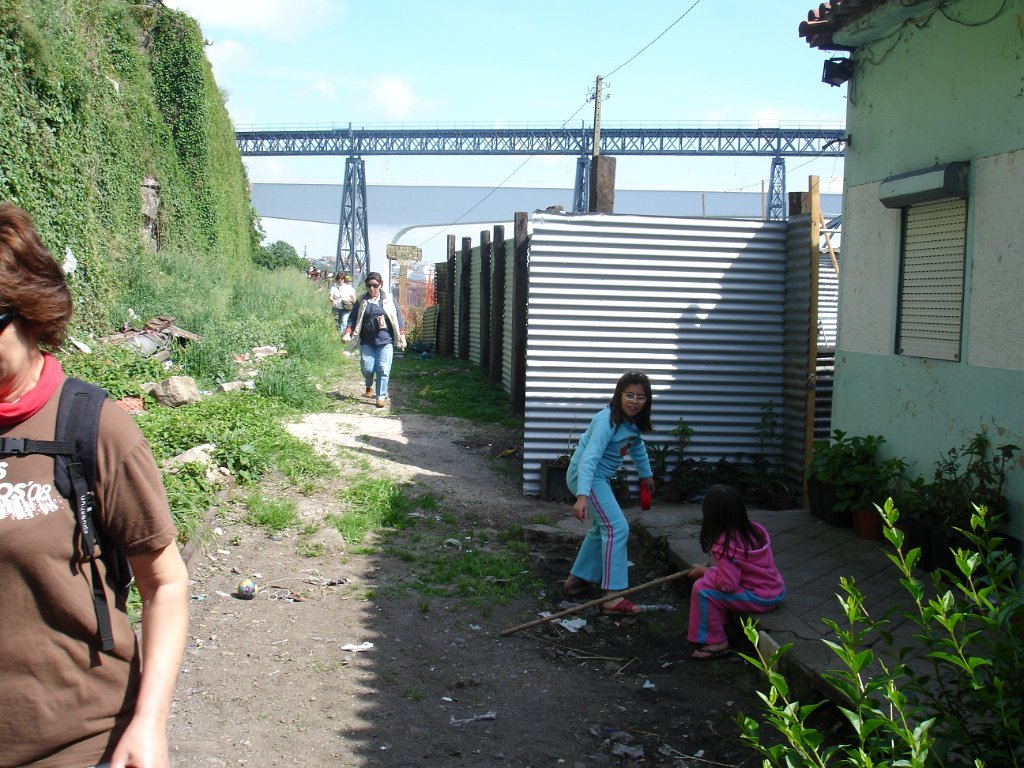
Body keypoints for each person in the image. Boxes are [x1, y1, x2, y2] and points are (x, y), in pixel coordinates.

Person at [0, 203, 189, 767]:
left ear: (31, 314)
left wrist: (149, 724)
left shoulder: (93, 428)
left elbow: (165, 585)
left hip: (73, 746)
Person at [561, 371, 656, 614]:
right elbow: (589, 458)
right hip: (587, 476)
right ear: (619, 395)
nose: (634, 401)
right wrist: (582, 496)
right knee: (617, 527)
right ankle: (613, 596)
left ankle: (577, 580)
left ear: (647, 400)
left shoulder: (632, 423)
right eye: (629, 395)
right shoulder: (607, 421)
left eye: (640, 397)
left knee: (602, 526)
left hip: (597, 478)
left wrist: (646, 474)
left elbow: (637, 446)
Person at [686, 484, 785, 659]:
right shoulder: (753, 531)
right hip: (774, 590)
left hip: (758, 598)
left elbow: (728, 584)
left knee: (702, 590)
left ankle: (716, 641)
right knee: (710, 583)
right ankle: (719, 623)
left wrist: (705, 572)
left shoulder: (724, 545)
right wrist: (712, 571)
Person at [342, 271, 406, 408]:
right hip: (367, 341)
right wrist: (348, 333)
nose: (372, 288)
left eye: (375, 285)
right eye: (369, 285)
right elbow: (352, 318)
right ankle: (369, 384)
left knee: (383, 368)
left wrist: (402, 335)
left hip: (386, 340)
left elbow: (398, 317)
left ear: (380, 285)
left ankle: (380, 396)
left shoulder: (389, 298)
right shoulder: (362, 300)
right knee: (367, 368)